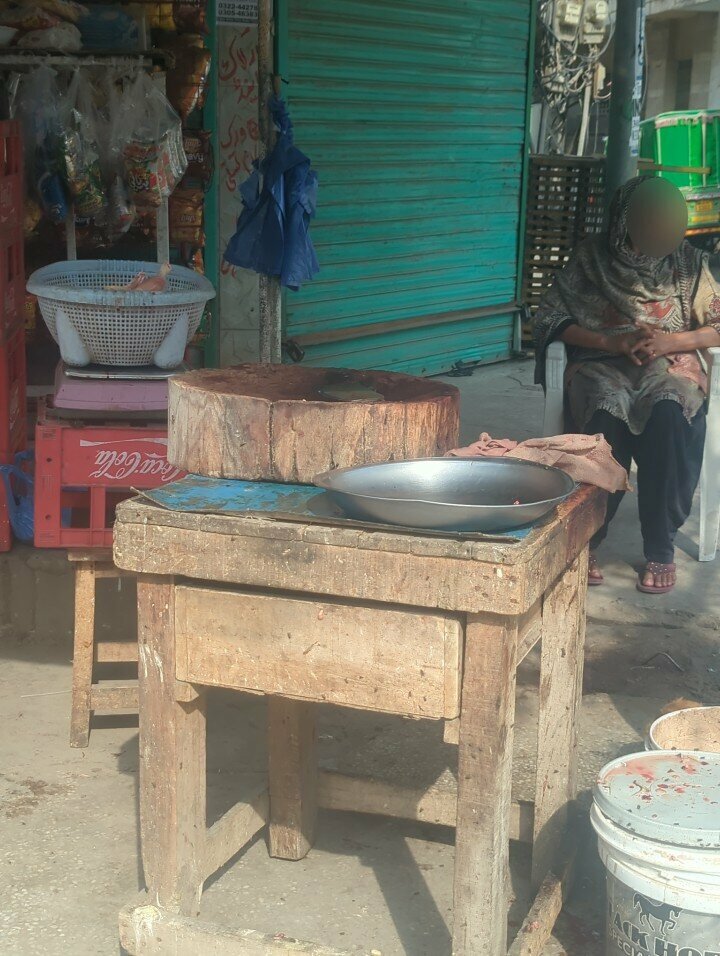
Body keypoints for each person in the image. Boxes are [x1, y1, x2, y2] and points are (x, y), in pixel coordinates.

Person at [534, 176, 720, 594]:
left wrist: (671, 341)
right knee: (605, 421)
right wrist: (612, 341)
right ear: (624, 220)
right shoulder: (589, 260)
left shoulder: (688, 263)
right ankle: (589, 537)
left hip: (667, 361)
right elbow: (550, 319)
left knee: (671, 415)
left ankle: (660, 545)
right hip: (604, 361)